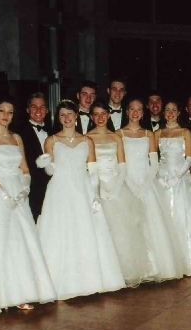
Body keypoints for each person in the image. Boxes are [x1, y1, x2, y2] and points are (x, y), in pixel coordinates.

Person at [37, 99, 126, 298]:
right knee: (61, 232)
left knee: (85, 231)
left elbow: (93, 170)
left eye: (70, 114)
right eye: (62, 115)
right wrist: (45, 164)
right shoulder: (51, 140)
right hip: (60, 190)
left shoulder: (87, 141)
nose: (66, 118)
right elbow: (51, 171)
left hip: (82, 188)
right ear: (58, 118)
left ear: (76, 116)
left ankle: (89, 281)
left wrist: (94, 195)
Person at [0, 96, 57, 309]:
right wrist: (3, 196)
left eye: (10, 112)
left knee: (23, 241)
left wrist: (24, 188)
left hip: (18, 192)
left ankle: (23, 292)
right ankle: (3, 295)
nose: (6, 115)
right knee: (3, 240)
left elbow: (25, 168)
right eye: (2, 111)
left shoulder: (17, 138)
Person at [87, 101, 153, 286]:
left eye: (103, 113)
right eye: (96, 114)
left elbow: (122, 166)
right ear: (92, 117)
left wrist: (114, 190)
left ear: (108, 115)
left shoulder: (116, 137)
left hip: (116, 187)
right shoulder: (86, 138)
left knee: (122, 232)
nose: (100, 118)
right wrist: (98, 190)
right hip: (95, 186)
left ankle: (120, 272)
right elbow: (88, 168)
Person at [119, 98, 186, 281]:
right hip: (126, 182)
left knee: (151, 225)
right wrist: (131, 185)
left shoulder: (149, 134)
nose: (135, 112)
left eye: (139, 109)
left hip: (146, 184)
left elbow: (154, 163)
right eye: (132, 109)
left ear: (143, 112)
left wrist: (145, 185)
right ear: (127, 111)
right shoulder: (119, 134)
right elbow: (120, 163)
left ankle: (153, 268)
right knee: (129, 226)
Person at [155, 100, 191, 276]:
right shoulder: (157, 133)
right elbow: (152, 157)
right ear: (164, 113)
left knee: (181, 218)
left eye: (173, 110)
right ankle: (166, 264)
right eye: (167, 110)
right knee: (163, 220)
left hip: (180, 179)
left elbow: (189, 159)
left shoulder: (185, 132)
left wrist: (175, 178)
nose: (170, 113)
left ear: (179, 112)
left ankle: (186, 263)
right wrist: (159, 177)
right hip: (161, 179)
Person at [20, 92, 52, 220]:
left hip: (51, 188)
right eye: (34, 107)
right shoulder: (19, 133)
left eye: (42, 107)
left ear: (47, 110)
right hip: (32, 189)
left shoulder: (53, 131)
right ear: (28, 110)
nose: (38, 110)